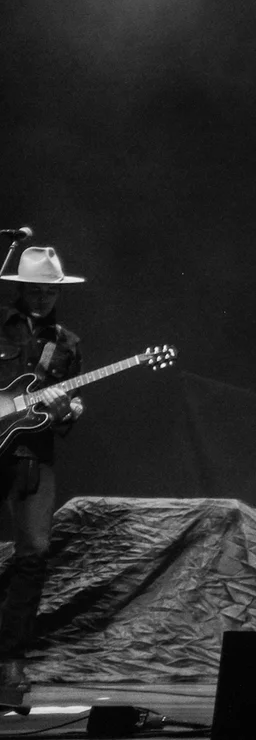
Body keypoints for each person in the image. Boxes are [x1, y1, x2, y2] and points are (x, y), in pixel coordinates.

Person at [0, 247, 87, 707]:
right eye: (35, 290)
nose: (42, 298)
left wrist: (65, 410)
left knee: (33, 554)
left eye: (50, 291)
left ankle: (11, 663)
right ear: (21, 288)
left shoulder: (66, 343)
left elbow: (63, 415)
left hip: (33, 456)